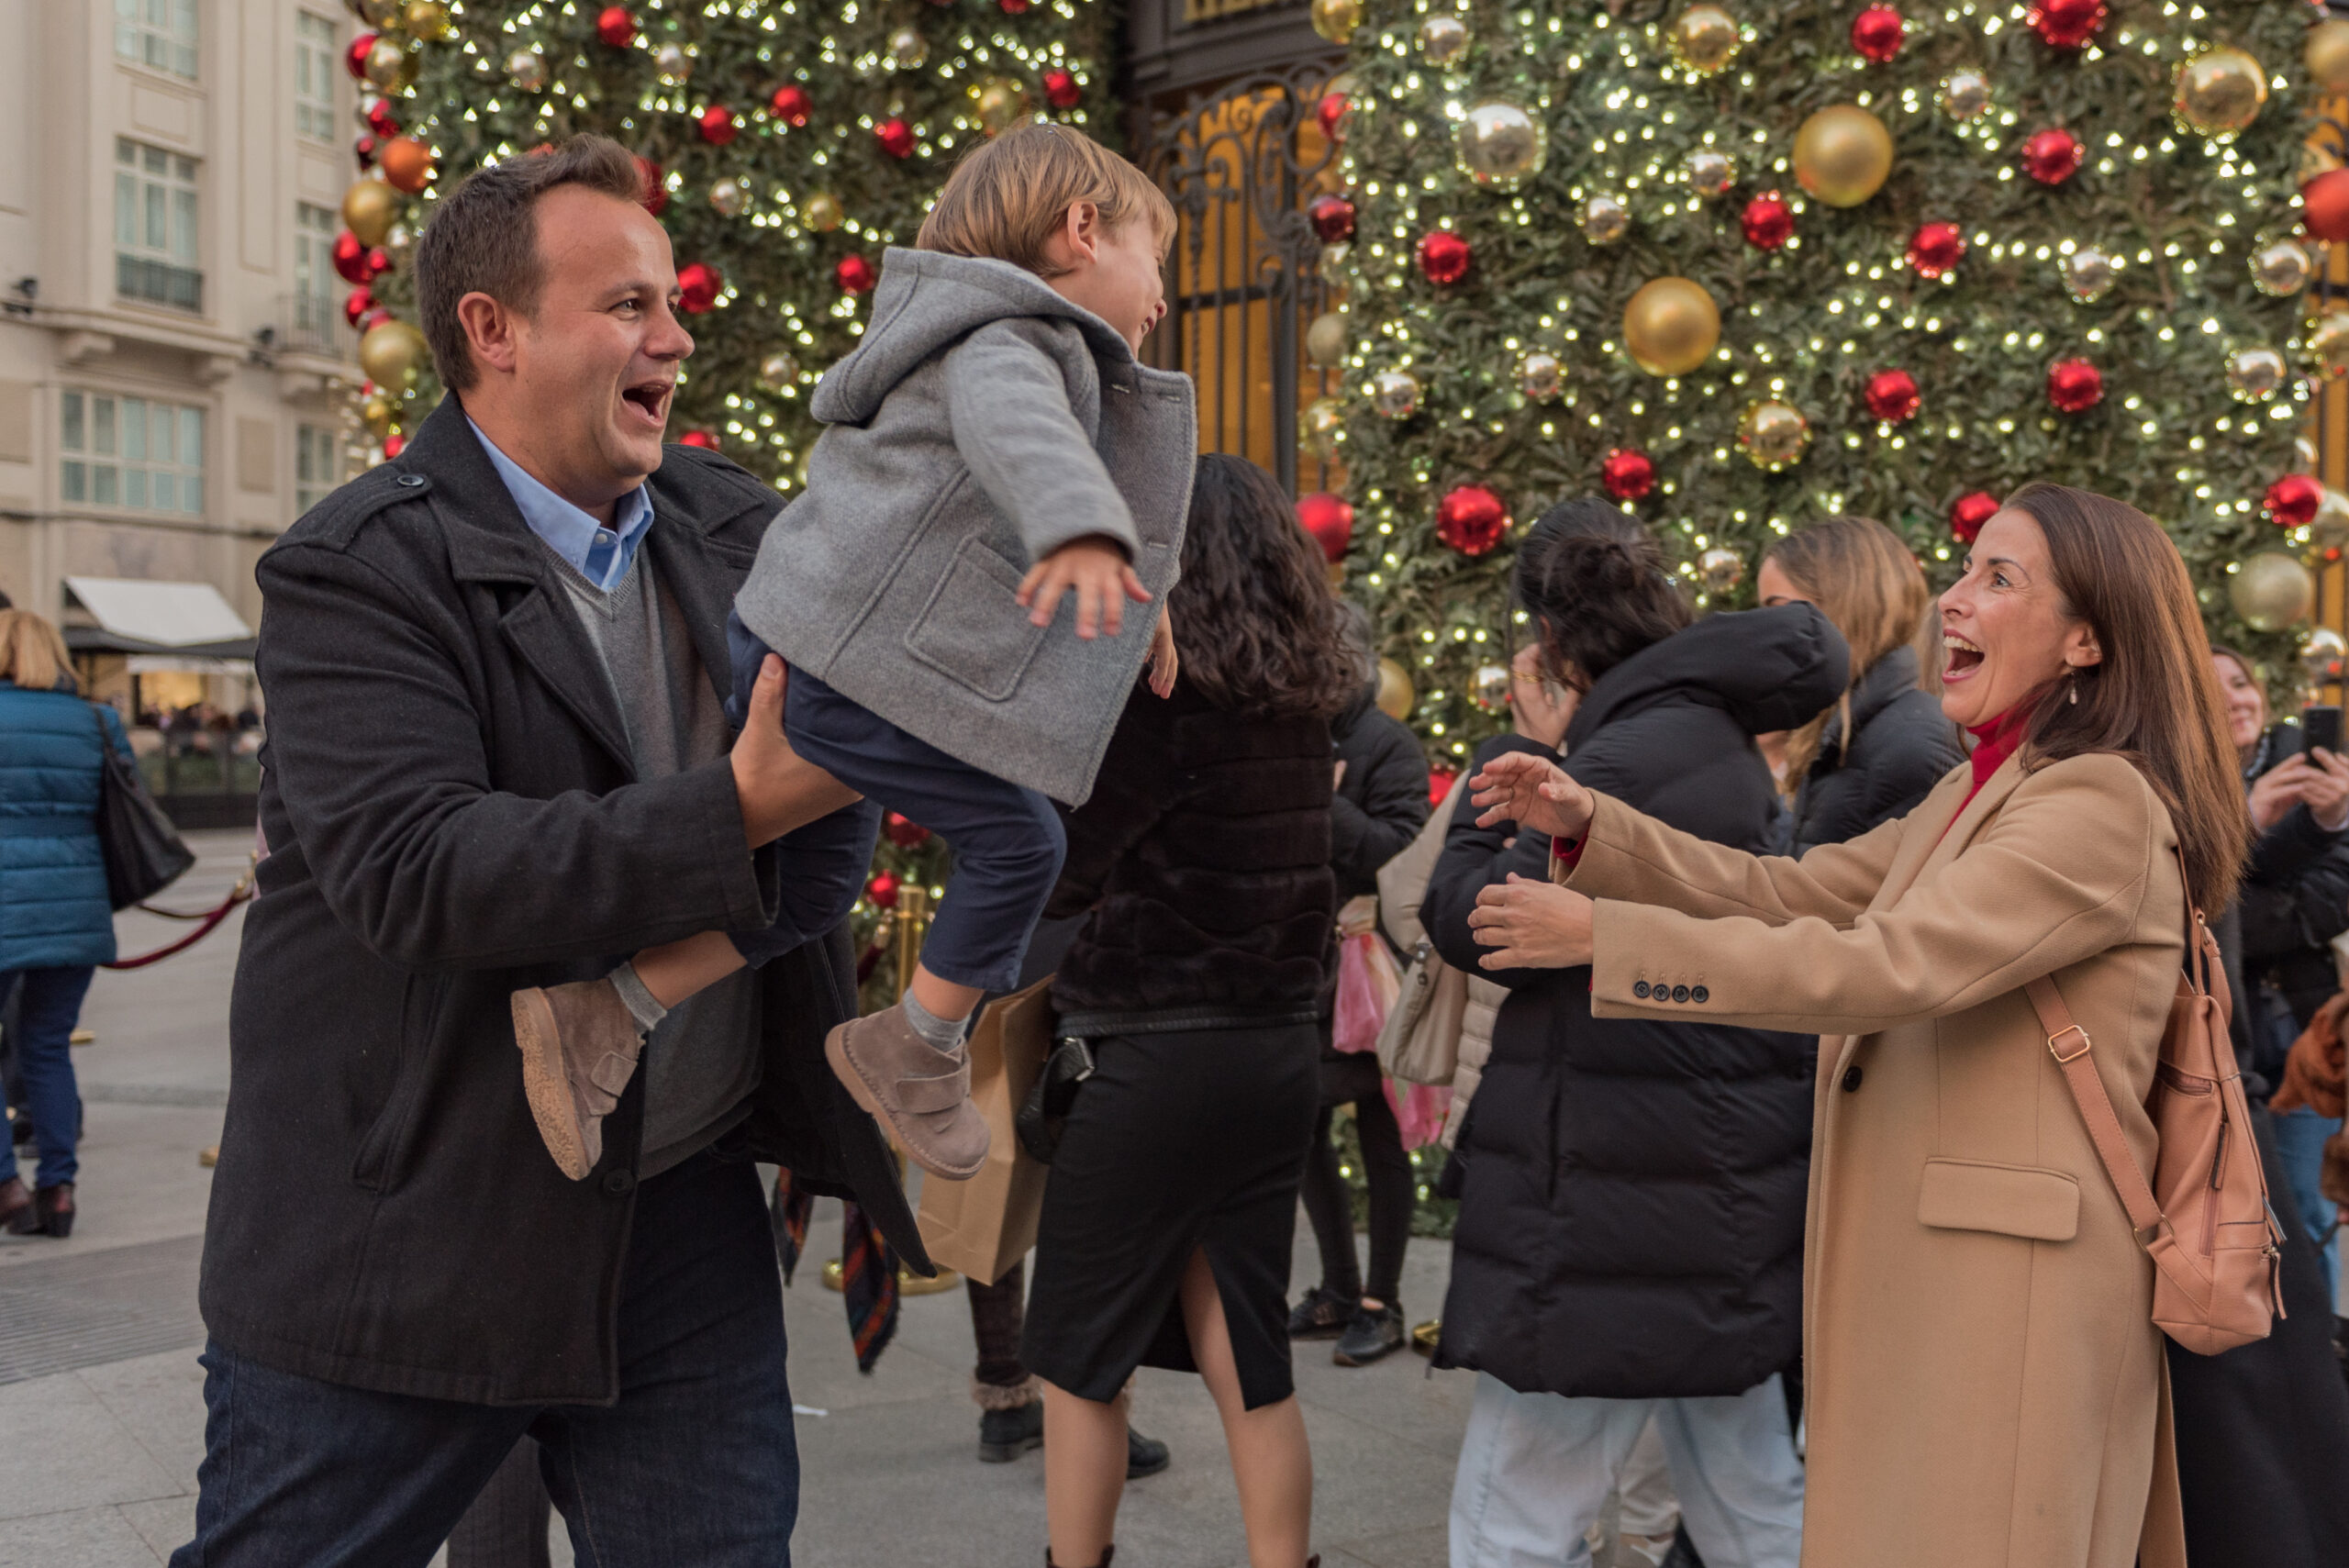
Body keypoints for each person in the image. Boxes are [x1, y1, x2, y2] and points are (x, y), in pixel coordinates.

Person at [171, 136, 923, 1567]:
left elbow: (903, 602)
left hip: (681, 1216)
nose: (675, 333)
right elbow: (424, 868)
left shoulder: (732, 519)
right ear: (493, 331)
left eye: (672, 299)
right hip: (398, 1241)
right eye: (629, 303)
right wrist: (746, 804)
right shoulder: (353, 569)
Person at [1465, 483, 2253, 1568]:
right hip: (1953, 1275)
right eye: (1964, 569)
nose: (1952, 601)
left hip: (2012, 1298)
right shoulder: (2001, 782)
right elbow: (1801, 890)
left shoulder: (2098, 803)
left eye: (1997, 578)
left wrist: (1609, 939)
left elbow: (1886, 964)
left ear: (2086, 638)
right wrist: (1596, 823)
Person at [507, 121, 1188, 1186]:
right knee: (1022, 845)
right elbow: (1022, 435)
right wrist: (1082, 526)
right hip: (846, 665)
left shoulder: (983, 332)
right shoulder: (1015, 338)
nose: (1159, 297)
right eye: (1157, 259)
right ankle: (914, 1048)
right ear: (1082, 228)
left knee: (814, 891)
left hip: (829, 649)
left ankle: (605, 1009)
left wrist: (1136, 588)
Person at [1426, 501, 1837, 1568]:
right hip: (1710, 1169)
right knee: (1753, 1498)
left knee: (1515, 1507)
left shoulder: (1622, 754)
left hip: (1610, 1179)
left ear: (1554, 643)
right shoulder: (1705, 732)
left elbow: (1480, 921)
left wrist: (1522, 749)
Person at [1020, 453, 1356, 1568]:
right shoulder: (1305, 699)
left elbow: (1064, 869)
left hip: (1154, 1054)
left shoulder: (1154, 693)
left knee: (1076, 1352)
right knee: (1248, 1350)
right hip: (1272, 1054)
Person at [1290, 605, 1429, 1367]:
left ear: (1359, 665)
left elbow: (1400, 857)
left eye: (1329, 661)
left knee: (1382, 1131)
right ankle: (1339, 1288)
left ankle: (1385, 1299)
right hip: (1300, 966)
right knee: (1306, 1124)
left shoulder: (1391, 745)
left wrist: (1326, 798)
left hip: (1369, 971)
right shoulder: (1296, 729)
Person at [2210, 645, 2349, 1292]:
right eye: (2214, 688)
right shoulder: (2179, 779)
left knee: (2300, 1205)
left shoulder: (2315, 763)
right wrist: (2248, 816)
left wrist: (2331, 817)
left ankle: (2318, 1365)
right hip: (2212, 1033)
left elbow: (2335, 894)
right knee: (2226, 1214)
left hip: (2301, 1034)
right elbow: (2179, 898)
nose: (2236, 698)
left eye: (2242, 682)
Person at [0, 607, 133, 1240]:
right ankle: (59, 1189)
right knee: (48, 1045)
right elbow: (125, 801)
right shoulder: (96, 720)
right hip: (77, 900)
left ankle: (7, 1186)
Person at [1757, 516, 1964, 855]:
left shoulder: (1913, 744)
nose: (1765, 632)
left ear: (1847, 606)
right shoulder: (1840, 729)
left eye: (1778, 611)